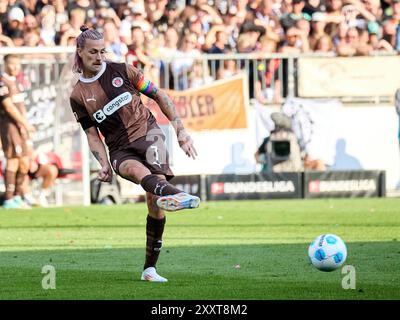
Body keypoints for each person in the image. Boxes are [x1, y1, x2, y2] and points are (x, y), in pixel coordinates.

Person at [69, 26, 200, 283]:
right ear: (80, 52)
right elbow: (92, 135)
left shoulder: (123, 70)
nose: (99, 57)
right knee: (140, 175)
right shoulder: (77, 95)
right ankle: (180, 197)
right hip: (119, 149)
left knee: (154, 197)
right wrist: (104, 163)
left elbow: (159, 95)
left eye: (102, 51)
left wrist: (181, 131)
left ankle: (149, 269)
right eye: (93, 52)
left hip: (149, 134)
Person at [0, 54, 35, 209]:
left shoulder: (17, 83)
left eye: (18, 64)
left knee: (24, 163)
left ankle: (19, 195)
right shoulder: (2, 82)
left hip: (21, 128)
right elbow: (9, 107)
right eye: (12, 64)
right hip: (10, 127)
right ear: (5, 64)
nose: (15, 67)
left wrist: (25, 126)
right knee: (13, 160)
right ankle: (9, 199)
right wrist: (25, 124)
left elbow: (21, 107)